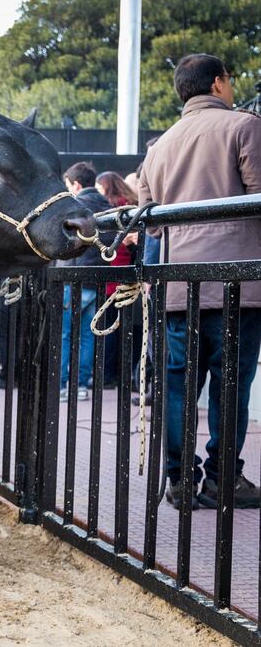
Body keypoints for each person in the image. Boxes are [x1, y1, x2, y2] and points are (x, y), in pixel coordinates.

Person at [139, 53, 261, 510]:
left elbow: (152, 224)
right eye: (229, 80)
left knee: (175, 385)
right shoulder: (244, 126)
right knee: (230, 383)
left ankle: (178, 479)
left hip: (177, 283)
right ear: (217, 83)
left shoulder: (159, 146)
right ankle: (222, 477)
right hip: (235, 280)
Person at [59, 161, 111, 401]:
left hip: (72, 278)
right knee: (88, 336)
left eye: (68, 185)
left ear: (76, 184)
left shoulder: (73, 206)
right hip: (97, 280)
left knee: (64, 334)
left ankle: (60, 385)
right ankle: (80, 386)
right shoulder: (107, 206)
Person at [95, 171, 140, 387]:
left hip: (112, 273)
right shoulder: (132, 205)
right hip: (130, 274)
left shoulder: (108, 208)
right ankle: (128, 375)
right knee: (130, 329)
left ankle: (107, 376)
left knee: (110, 328)